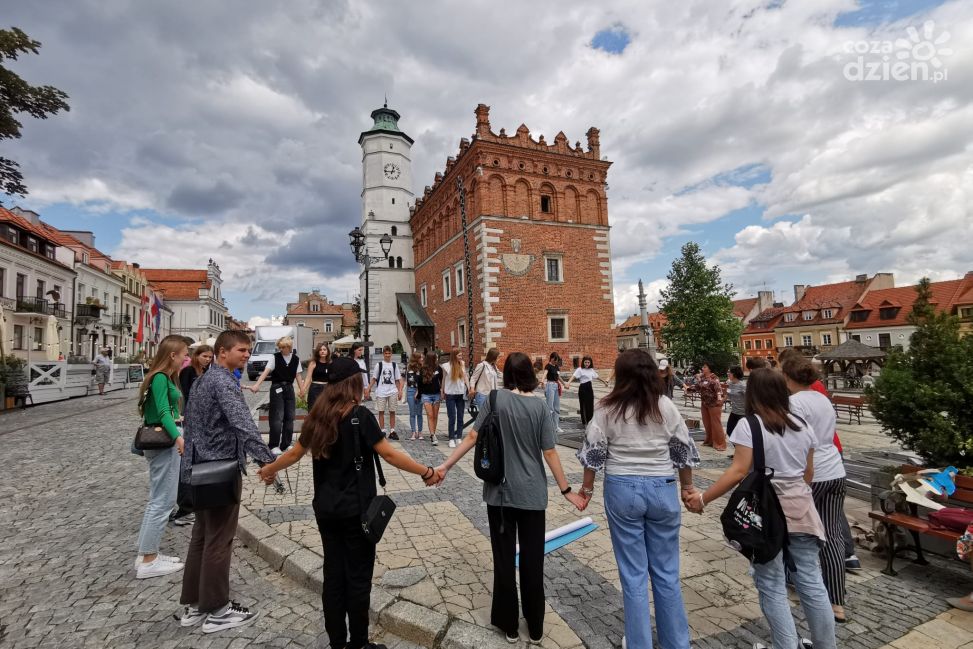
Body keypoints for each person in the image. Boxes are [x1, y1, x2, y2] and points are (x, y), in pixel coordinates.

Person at [257, 357, 442, 649]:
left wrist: (269, 469)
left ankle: (337, 643)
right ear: (353, 383)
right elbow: (390, 455)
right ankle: (358, 643)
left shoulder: (318, 415)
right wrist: (427, 472)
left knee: (333, 576)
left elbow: (294, 454)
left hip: (326, 509)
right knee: (357, 579)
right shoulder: (360, 416)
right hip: (357, 511)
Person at [435, 352, 586, 644]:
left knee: (504, 560)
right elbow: (550, 452)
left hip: (500, 494)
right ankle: (536, 624)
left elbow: (471, 438)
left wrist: (445, 466)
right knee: (533, 561)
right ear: (530, 373)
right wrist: (567, 491)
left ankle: (509, 624)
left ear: (507, 374)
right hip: (532, 494)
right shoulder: (541, 407)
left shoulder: (494, 401)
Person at [686, 369, 836, 649]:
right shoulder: (802, 423)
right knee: (812, 581)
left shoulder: (750, 425)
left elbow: (738, 471)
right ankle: (825, 645)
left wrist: (703, 498)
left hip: (768, 512)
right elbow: (808, 473)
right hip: (802, 508)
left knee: (771, 583)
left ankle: (786, 646)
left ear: (753, 392)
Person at [576, 349, 699, 649]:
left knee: (633, 574)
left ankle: (638, 642)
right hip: (662, 486)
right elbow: (683, 450)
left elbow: (594, 453)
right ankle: (676, 643)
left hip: (622, 487)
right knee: (667, 572)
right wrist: (687, 488)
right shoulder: (665, 406)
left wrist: (586, 490)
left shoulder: (608, 407)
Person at [178, 330, 278, 633]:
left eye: (248, 350)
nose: (247, 355)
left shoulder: (202, 380)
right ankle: (217, 609)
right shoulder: (224, 382)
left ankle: (195, 606)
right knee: (219, 539)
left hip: (198, 468)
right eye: (242, 350)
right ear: (223, 352)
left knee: (202, 536)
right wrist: (267, 461)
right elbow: (243, 425)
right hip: (218, 468)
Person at [783, 356, 850, 623]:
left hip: (811, 473)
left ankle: (798, 581)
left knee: (797, 531)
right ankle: (836, 601)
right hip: (835, 469)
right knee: (832, 535)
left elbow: (795, 441)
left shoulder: (794, 403)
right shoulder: (823, 399)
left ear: (788, 378)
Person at [134, 335, 188, 579]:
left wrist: (180, 420)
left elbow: (166, 409)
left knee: (158, 499)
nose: (186, 358)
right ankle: (148, 560)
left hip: (165, 436)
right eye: (184, 354)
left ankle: (147, 553)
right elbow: (164, 411)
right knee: (163, 501)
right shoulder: (159, 377)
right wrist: (178, 435)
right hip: (164, 441)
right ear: (172, 355)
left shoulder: (160, 377)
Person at [171, 344, 213, 527]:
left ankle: (192, 503)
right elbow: (187, 395)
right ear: (196, 356)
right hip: (191, 419)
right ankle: (184, 508)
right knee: (187, 464)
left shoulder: (205, 372)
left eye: (210, 357)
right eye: (204, 356)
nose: (207, 360)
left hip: (201, 421)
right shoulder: (188, 372)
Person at [248, 336, 304, 455]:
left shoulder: (296, 359)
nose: (282, 349)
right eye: (281, 347)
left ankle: (286, 444)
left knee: (290, 417)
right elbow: (266, 372)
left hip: (289, 388)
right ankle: (273, 445)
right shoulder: (275, 357)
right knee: (277, 418)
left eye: (285, 347)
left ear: (289, 347)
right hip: (277, 387)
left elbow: (298, 376)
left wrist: (302, 390)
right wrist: (257, 385)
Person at [370, 346, 403, 440]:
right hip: (381, 391)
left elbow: (398, 379)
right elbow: (374, 378)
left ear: (391, 354)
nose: (387, 355)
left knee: (392, 411)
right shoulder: (379, 365)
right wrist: (368, 388)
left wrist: (400, 390)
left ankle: (392, 431)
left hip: (392, 390)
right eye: (386, 353)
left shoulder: (394, 365)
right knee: (381, 411)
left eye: (389, 353)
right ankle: (383, 430)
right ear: (383, 354)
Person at [564, 356, 607, 426]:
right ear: (583, 362)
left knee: (590, 404)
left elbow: (597, 377)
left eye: (588, 362)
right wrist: (568, 383)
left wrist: (604, 382)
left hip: (589, 388)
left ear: (590, 363)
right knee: (583, 404)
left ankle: (590, 420)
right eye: (585, 362)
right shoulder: (580, 369)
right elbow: (573, 376)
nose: (587, 364)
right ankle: (585, 422)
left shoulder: (591, 370)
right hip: (583, 388)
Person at [441, 349, 469, 448]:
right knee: (452, 417)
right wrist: (442, 391)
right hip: (450, 394)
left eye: (461, 355)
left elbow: (465, 377)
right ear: (454, 356)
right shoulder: (446, 366)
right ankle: (451, 438)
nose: (461, 357)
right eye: (459, 356)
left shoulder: (462, 364)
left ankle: (459, 437)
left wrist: (469, 388)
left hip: (460, 393)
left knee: (461, 416)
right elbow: (444, 379)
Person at [696, 362, 726, 451]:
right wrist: (687, 388)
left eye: (704, 367)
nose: (702, 368)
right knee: (707, 423)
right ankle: (710, 441)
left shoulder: (714, 378)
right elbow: (698, 387)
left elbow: (718, 389)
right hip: (705, 403)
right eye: (703, 367)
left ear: (709, 369)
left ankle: (720, 443)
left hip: (714, 403)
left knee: (716, 423)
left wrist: (720, 399)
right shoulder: (703, 378)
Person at [416, 352, 443, 445]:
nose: (437, 359)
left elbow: (441, 380)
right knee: (430, 415)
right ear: (431, 359)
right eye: (435, 358)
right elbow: (419, 383)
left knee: (435, 415)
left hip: (436, 394)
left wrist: (442, 391)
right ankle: (432, 435)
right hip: (426, 395)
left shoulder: (438, 368)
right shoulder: (422, 369)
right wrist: (419, 395)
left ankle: (433, 433)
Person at [543, 352, 568, 434]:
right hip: (550, 386)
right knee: (550, 408)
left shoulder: (556, 367)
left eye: (556, 361)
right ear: (551, 358)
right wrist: (542, 381)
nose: (555, 362)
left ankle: (556, 426)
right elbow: (545, 373)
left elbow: (558, 377)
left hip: (556, 386)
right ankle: (548, 427)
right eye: (555, 360)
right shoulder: (548, 366)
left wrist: (564, 384)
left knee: (556, 408)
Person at [302, 343, 332, 411]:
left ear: (327, 351)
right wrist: (303, 389)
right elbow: (308, 377)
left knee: (326, 411)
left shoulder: (330, 363)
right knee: (313, 410)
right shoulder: (313, 363)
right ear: (318, 352)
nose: (322, 351)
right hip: (315, 389)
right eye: (320, 350)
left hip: (327, 389)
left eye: (324, 349)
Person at [405, 352, 424, 441]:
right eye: (420, 357)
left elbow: (423, 381)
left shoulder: (422, 368)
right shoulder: (408, 368)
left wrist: (418, 391)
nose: (422, 359)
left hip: (419, 391)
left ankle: (420, 432)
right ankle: (413, 432)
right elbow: (405, 379)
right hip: (410, 391)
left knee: (419, 413)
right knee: (412, 413)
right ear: (416, 359)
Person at [725, 365, 747, 439]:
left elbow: (750, 398)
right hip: (734, 412)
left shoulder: (743, 385)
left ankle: (742, 448)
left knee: (742, 434)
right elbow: (728, 394)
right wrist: (721, 401)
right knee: (729, 431)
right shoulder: (730, 384)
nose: (728, 373)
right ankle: (738, 447)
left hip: (743, 413)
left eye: (729, 372)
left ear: (735, 373)